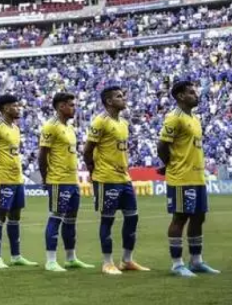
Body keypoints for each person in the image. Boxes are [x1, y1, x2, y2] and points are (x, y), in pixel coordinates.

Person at [83, 86, 149, 275]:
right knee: (108, 220)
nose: (124, 98)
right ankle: (107, 262)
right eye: (119, 96)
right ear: (109, 101)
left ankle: (127, 260)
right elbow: (87, 150)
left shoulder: (123, 123)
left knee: (132, 217)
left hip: (124, 178)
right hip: (106, 178)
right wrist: (92, 170)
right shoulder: (100, 122)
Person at [157, 80, 220, 277]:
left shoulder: (194, 118)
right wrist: (170, 164)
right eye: (191, 92)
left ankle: (196, 261)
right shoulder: (174, 118)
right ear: (181, 96)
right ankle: (177, 264)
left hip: (197, 176)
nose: (196, 95)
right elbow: (162, 146)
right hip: (181, 177)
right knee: (180, 218)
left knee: (198, 217)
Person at [39, 92, 94, 272]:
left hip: (72, 181)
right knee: (55, 218)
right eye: (71, 105)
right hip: (57, 180)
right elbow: (42, 155)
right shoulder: (50, 126)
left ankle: (71, 258)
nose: (74, 108)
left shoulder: (69, 128)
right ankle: (51, 260)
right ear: (61, 106)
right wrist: (45, 178)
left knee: (71, 221)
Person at [0, 94, 38, 269]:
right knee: (0, 215)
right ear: (6, 108)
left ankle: (16, 256)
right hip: (2, 179)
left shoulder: (15, 127)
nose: (18, 108)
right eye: (15, 106)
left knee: (15, 216)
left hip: (17, 179)